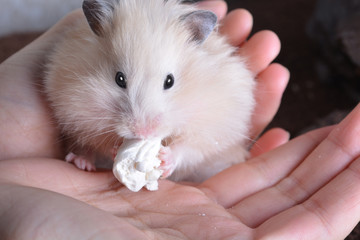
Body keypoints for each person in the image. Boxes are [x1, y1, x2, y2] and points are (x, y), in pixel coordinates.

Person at [0, 1, 358, 239]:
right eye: (120, 82)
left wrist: (180, 154)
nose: (143, 124)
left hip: (202, 166)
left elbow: (224, 126)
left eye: (168, 83)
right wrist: (89, 147)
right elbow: (68, 105)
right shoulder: (79, 55)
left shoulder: (215, 75)